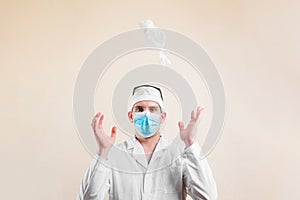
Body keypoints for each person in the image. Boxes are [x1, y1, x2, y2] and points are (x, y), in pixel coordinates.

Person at [77, 84, 218, 200]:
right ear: (131, 116)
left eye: (153, 109)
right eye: (139, 109)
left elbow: (208, 197)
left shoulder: (179, 155)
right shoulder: (115, 156)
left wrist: (191, 143)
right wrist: (103, 152)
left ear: (162, 117)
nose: (146, 114)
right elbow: (87, 198)